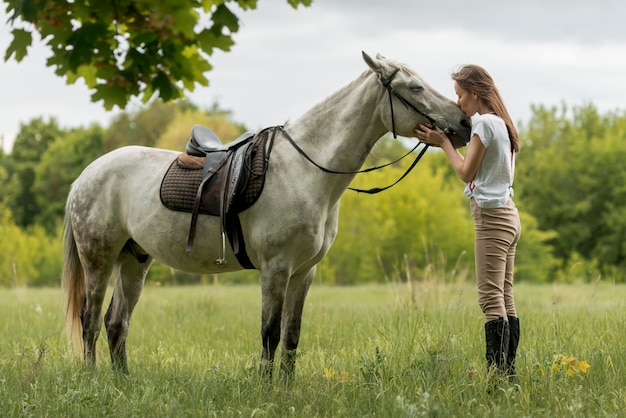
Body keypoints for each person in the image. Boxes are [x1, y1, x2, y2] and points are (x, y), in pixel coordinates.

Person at [414, 65, 521, 382]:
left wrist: (442, 143)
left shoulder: (485, 124)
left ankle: (498, 380)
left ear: (475, 93)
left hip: (491, 218)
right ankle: (508, 376)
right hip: (508, 215)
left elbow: (466, 172)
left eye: (460, 95)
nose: (458, 102)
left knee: (489, 299)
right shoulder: (501, 124)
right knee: (505, 296)